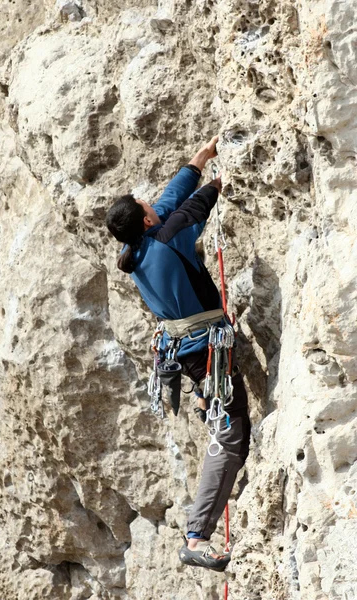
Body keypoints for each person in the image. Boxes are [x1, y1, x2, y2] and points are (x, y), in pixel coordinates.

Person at [106, 136, 250, 572]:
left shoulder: (138, 247)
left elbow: (170, 202)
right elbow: (193, 208)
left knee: (222, 412)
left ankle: (207, 397)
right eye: (146, 204)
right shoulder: (166, 239)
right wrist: (227, 176)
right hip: (205, 351)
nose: (153, 204)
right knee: (231, 436)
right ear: (146, 218)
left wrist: (202, 157)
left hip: (188, 351)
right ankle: (196, 535)